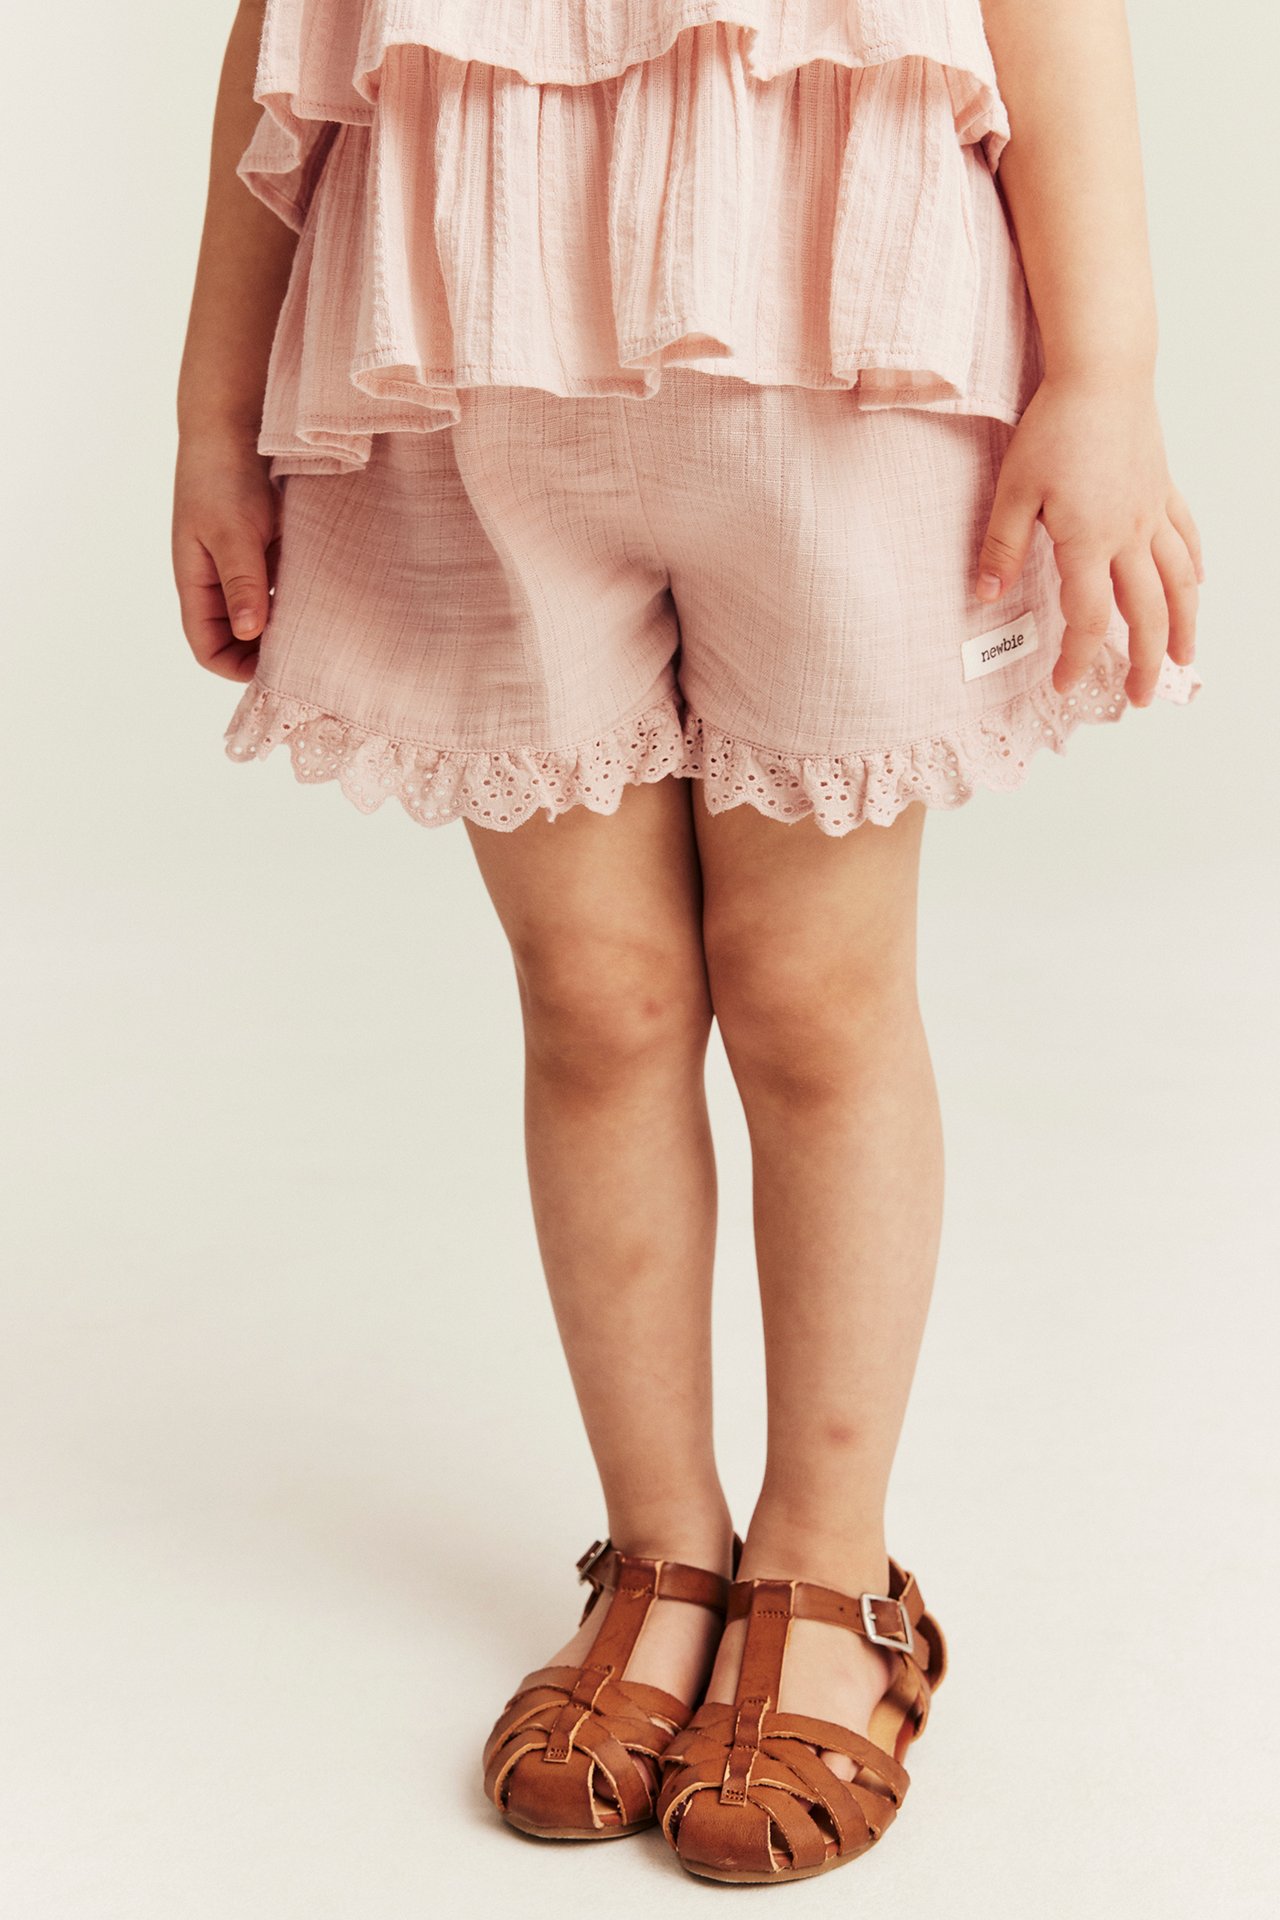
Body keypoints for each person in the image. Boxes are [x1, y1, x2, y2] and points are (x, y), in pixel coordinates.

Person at [172, 0, 1203, 1886]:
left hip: (841, 345)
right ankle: (661, 1544)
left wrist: (1110, 366)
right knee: (597, 990)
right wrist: (210, 406)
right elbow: (279, 28)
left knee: (813, 995)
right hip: (468, 346)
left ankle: (831, 1562)